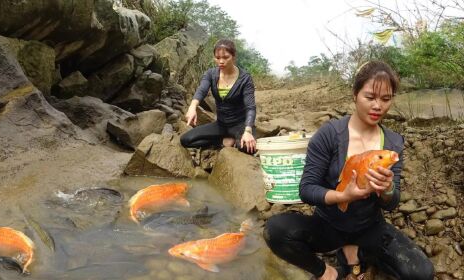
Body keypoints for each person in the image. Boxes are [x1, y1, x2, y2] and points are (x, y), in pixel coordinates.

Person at [263, 61, 434, 280]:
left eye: (386, 99)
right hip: (328, 225)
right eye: (370, 97)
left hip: (369, 226)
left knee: (422, 273)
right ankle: (327, 270)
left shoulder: (392, 143)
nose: (378, 106)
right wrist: (343, 196)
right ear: (355, 94)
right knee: (275, 229)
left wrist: (387, 189)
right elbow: (306, 189)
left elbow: (392, 203)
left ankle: (356, 252)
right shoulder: (328, 135)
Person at [180, 39, 257, 154]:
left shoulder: (245, 78)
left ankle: (238, 140)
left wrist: (248, 130)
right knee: (185, 140)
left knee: (247, 147)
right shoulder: (211, 74)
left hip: (239, 125)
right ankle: (222, 141)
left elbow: (250, 107)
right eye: (217, 57)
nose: (221, 61)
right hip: (221, 124)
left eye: (226, 57)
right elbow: (202, 90)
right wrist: (192, 107)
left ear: (234, 56)